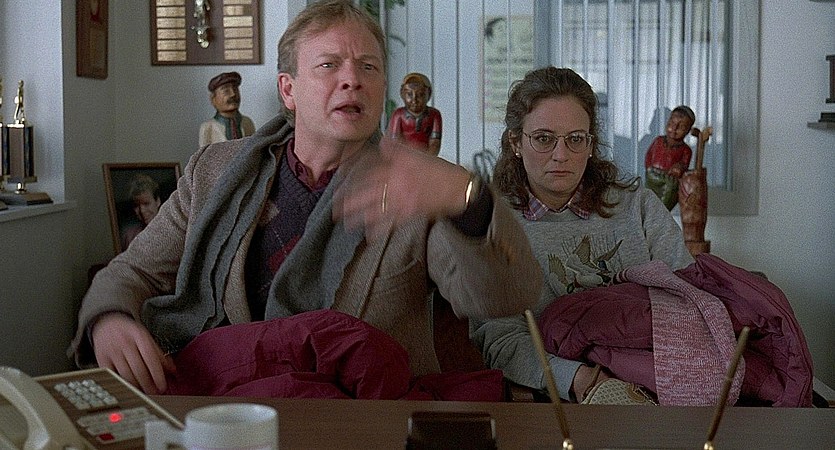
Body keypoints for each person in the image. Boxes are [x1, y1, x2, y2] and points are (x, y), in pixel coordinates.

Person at [70, 0, 540, 396]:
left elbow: (506, 297)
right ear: (288, 90)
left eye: (369, 67)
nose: (353, 79)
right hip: (224, 410)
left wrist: (471, 201)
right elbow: (132, 271)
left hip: (362, 419)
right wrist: (108, 318)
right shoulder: (212, 171)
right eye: (329, 65)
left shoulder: (419, 185)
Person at [472, 67, 692, 402]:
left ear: (590, 144)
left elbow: (690, 300)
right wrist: (579, 379)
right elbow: (501, 339)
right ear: (516, 143)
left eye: (575, 139)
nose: (561, 155)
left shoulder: (639, 207)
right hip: (558, 399)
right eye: (543, 138)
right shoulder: (491, 224)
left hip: (664, 382)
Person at [644, 105, 695, 210]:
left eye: (681, 127)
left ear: (688, 130)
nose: (674, 129)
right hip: (653, 176)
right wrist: (649, 168)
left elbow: (684, 166)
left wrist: (679, 168)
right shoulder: (658, 141)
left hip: (669, 180)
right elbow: (649, 155)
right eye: (672, 123)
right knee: (649, 198)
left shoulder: (686, 150)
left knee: (671, 188)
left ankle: (661, 211)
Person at [386, 73, 442, 156]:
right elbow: (394, 141)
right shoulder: (398, 115)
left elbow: (435, 142)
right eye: (409, 94)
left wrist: (427, 159)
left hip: (426, 158)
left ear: (429, 93)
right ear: (402, 93)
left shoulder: (434, 115)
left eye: (420, 94)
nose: (414, 99)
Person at [198, 71, 256, 148]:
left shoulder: (247, 122)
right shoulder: (208, 127)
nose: (233, 94)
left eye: (235, 89)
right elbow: (204, 154)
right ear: (213, 99)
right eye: (226, 91)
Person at [120, 174, 161, 251]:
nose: (142, 211)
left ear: (157, 201)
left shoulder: (173, 228)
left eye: (146, 204)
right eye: (136, 205)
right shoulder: (129, 236)